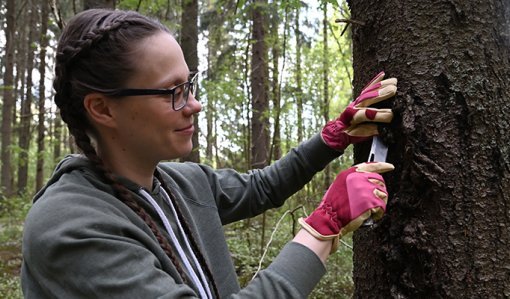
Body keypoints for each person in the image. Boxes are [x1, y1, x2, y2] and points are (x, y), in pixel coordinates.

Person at [21, 8, 397, 299]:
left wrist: (333, 137)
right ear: (102, 109)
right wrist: (323, 226)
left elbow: (262, 188)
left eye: (190, 85)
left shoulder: (181, 182)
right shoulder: (69, 228)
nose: (195, 105)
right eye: (173, 92)